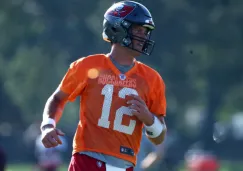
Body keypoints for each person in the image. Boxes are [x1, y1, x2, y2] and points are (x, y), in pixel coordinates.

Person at [40, 1, 167, 171]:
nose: (143, 36)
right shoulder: (87, 66)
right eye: (138, 30)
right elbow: (57, 98)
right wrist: (48, 125)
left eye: (145, 31)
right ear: (117, 29)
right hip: (88, 159)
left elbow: (159, 138)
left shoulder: (152, 79)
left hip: (125, 165)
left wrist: (148, 119)